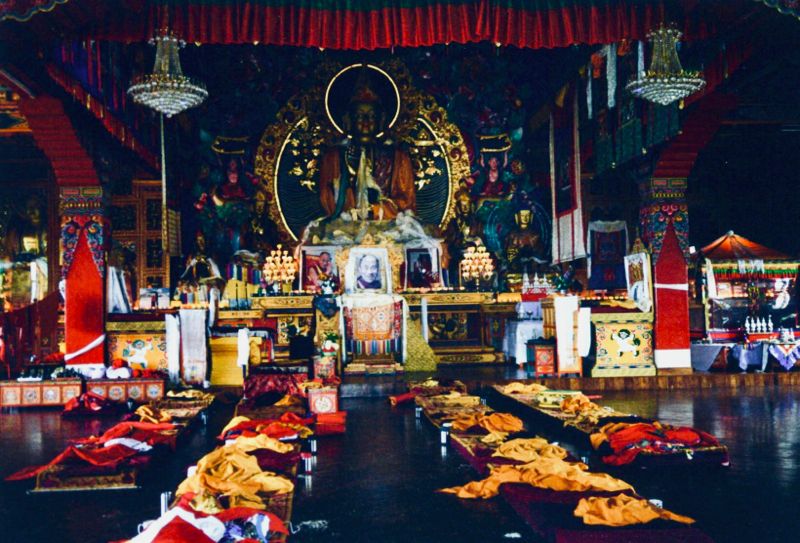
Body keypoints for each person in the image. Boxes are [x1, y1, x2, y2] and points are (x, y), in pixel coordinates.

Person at [319, 71, 416, 221]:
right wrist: (348, 196)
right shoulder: (334, 158)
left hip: (388, 229)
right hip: (344, 228)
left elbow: (407, 203)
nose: (365, 122)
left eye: (371, 116)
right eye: (359, 116)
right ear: (348, 121)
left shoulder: (398, 158)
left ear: (381, 121)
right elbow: (327, 198)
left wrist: (375, 209)